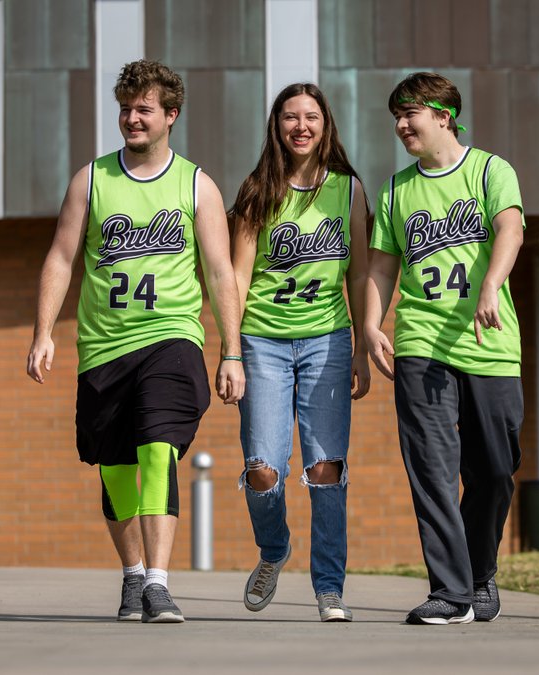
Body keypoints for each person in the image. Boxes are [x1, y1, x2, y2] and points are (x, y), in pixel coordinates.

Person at [26, 60, 244, 624]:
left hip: (171, 336)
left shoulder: (197, 185)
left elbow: (221, 272)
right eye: (126, 108)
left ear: (171, 115)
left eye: (144, 109)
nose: (132, 119)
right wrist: (43, 332)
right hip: (103, 346)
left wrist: (231, 351)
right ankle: (132, 575)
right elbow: (61, 257)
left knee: (157, 448)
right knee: (116, 465)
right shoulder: (91, 180)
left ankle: (158, 583)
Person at [364, 72, 525, 625]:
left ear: (443, 116)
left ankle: (480, 572)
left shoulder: (489, 171)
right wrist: (370, 324)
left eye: (411, 114)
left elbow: (511, 231)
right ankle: (451, 592)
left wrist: (489, 286)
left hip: (489, 344)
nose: (401, 125)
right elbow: (383, 264)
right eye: (396, 117)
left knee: (495, 470)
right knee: (431, 468)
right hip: (421, 344)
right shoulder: (394, 190)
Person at [229, 83, 371, 622]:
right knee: (263, 467)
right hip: (262, 341)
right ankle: (274, 548)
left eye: (311, 116)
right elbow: (237, 278)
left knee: (326, 467)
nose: (302, 126)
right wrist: (230, 351)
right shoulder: (256, 190)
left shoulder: (349, 190)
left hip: (328, 341)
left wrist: (360, 345)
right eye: (291, 117)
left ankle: (329, 588)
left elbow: (359, 273)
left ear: (325, 124)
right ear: (277, 126)